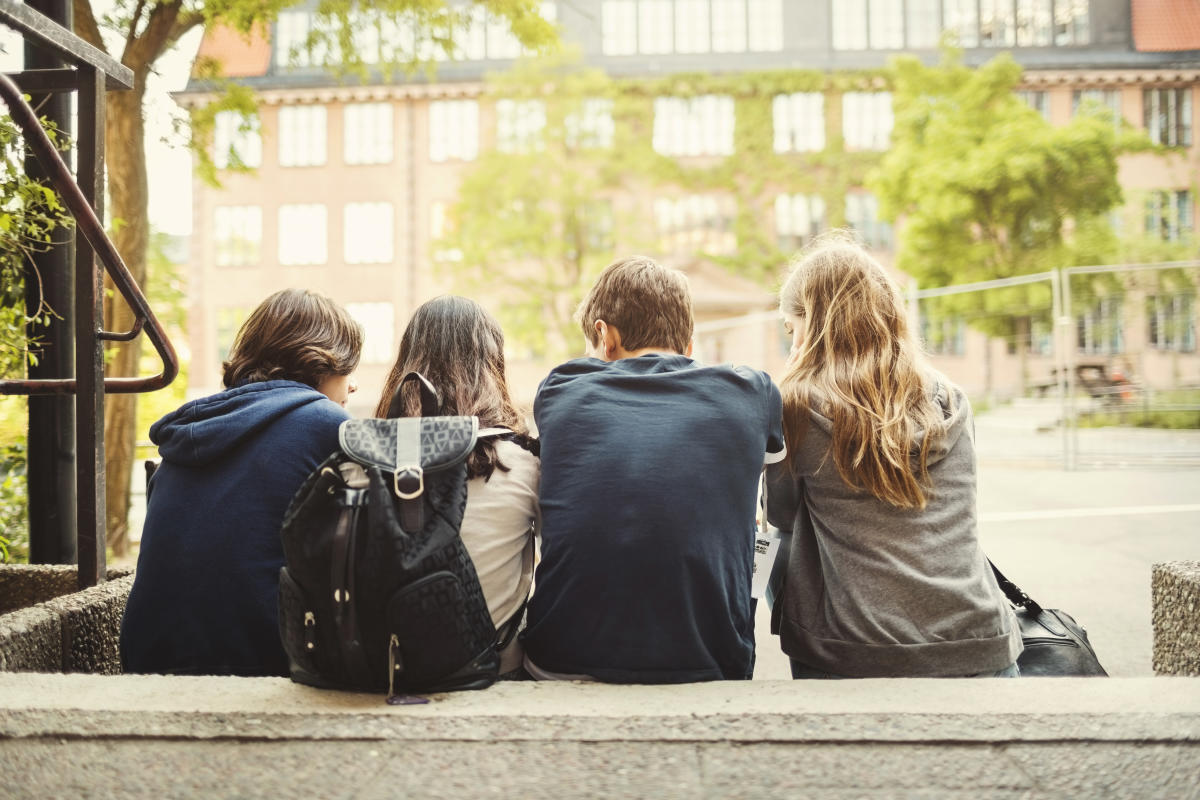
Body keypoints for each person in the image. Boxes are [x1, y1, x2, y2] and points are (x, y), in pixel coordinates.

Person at [765, 233, 1023, 679]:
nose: (792, 346)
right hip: (982, 644)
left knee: (784, 544)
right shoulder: (950, 399)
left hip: (856, 653)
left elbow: (783, 516)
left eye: (793, 329)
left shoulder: (795, 407)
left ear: (818, 325)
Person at [521, 255, 785, 683]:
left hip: (562, 660)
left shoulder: (560, 389)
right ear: (690, 344)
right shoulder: (752, 393)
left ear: (604, 336)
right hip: (711, 663)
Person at [121, 288, 363, 676]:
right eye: (349, 369)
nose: (352, 385)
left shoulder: (194, 427)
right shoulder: (327, 426)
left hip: (146, 658)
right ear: (322, 361)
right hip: (257, 664)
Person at [376, 295, 539, 678]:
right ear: (491, 365)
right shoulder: (522, 464)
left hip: (385, 666)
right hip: (492, 672)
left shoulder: (366, 464)